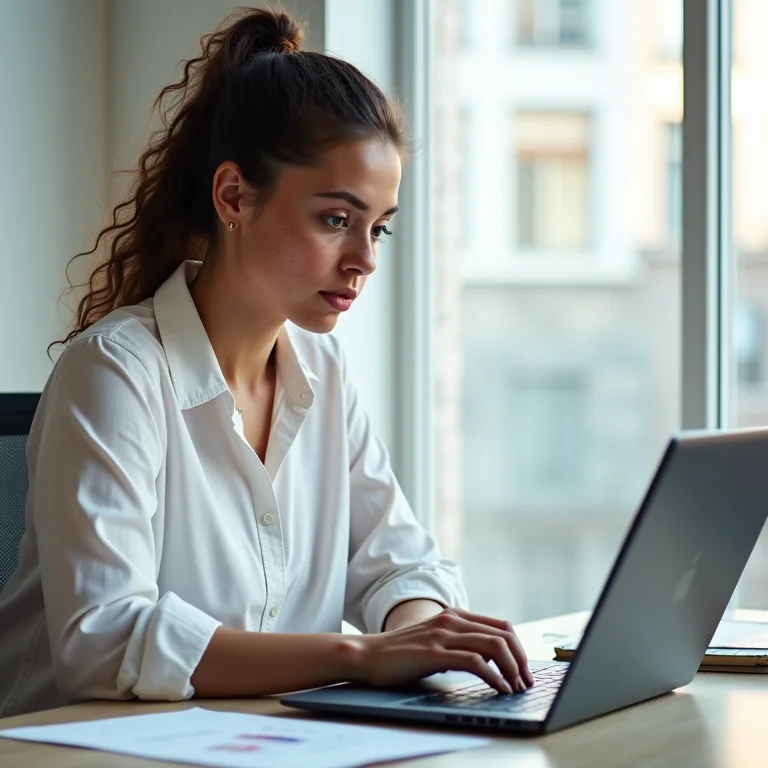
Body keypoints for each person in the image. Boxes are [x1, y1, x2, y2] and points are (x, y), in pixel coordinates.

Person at [0, 8, 532, 718]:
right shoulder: (115, 374)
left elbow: (401, 564)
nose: (364, 260)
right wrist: (362, 656)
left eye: (379, 228)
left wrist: (418, 635)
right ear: (233, 196)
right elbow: (104, 640)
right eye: (335, 220)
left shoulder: (324, 372)